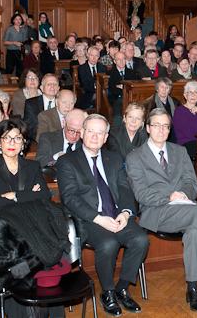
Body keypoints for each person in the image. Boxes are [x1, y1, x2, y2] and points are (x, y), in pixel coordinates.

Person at [126, 108, 197, 312]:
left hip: (185, 208)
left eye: (166, 126)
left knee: (194, 230)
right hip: (156, 211)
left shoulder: (179, 151)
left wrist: (183, 194)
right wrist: (169, 197)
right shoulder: (135, 157)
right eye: (156, 125)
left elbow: (193, 183)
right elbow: (141, 194)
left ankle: (193, 288)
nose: (161, 130)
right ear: (147, 128)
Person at [58, 114, 148, 315]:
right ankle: (107, 292)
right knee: (109, 243)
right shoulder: (67, 161)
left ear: (106, 137)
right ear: (82, 133)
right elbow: (70, 198)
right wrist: (99, 219)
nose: (95, 136)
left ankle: (122, 288)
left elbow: (125, 188)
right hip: (88, 219)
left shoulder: (114, 158)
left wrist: (125, 213)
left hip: (116, 215)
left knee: (141, 239)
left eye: (100, 133)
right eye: (91, 131)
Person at [0, 118, 51, 237]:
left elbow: (45, 196)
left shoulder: (33, 166)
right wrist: (29, 194)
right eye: (7, 138)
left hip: (29, 221)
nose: (12, 143)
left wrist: (15, 195)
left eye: (17, 138)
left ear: (23, 143)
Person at [24, 73, 60, 140]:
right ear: (42, 88)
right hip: (38, 139)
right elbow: (29, 127)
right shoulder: (31, 104)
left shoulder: (62, 103)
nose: (52, 87)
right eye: (49, 84)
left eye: (55, 84)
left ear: (58, 88)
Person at [107, 51, 138, 125]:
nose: (121, 61)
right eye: (118, 59)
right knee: (118, 107)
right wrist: (125, 89)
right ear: (114, 61)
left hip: (131, 98)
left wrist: (122, 87)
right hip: (117, 98)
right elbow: (113, 89)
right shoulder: (110, 73)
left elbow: (135, 87)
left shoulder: (132, 72)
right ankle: (117, 128)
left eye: (123, 59)